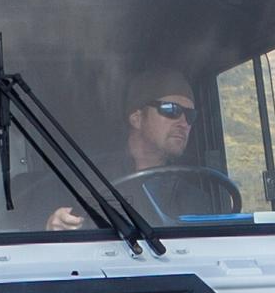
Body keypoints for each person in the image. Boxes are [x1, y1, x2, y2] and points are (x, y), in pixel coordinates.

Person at [43, 72, 233, 230]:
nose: (183, 123)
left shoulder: (196, 196)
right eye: (171, 109)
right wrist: (54, 226)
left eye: (190, 115)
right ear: (137, 118)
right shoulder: (84, 179)